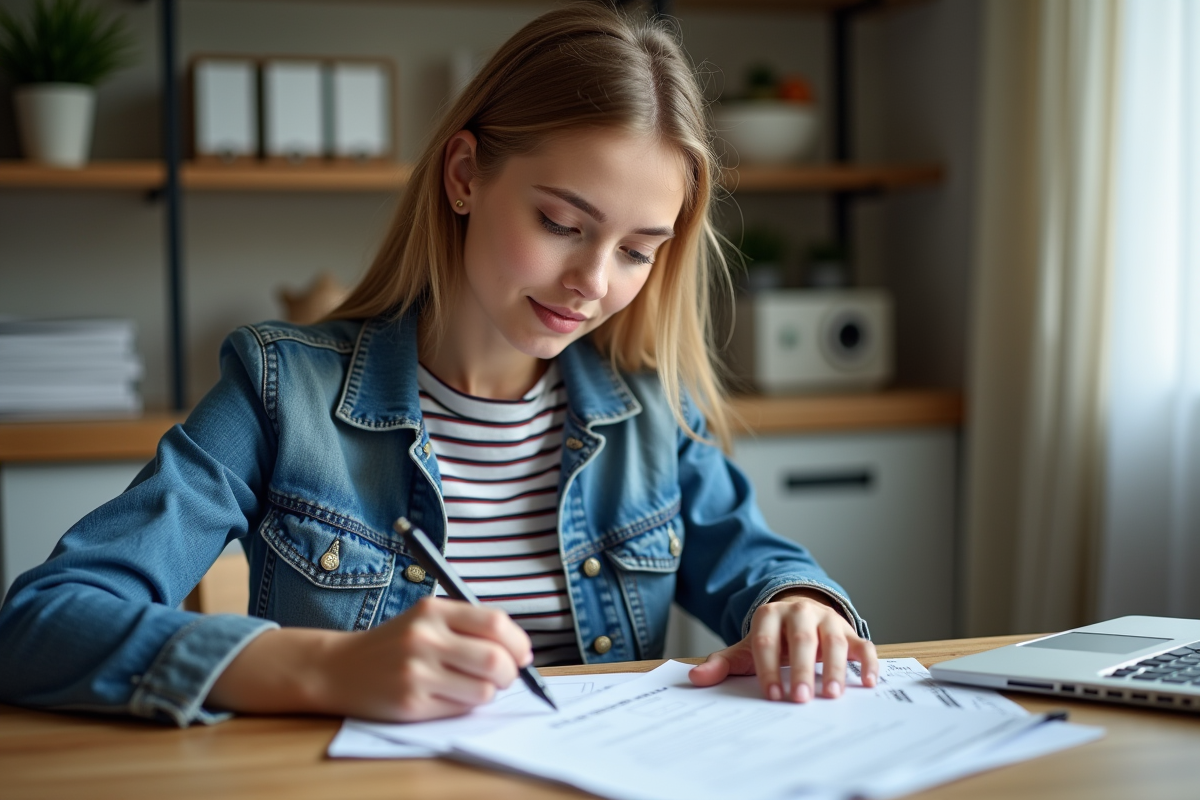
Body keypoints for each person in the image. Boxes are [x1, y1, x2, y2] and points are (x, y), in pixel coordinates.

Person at [0, 1, 877, 727]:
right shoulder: (279, 392)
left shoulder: (651, 415)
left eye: (639, 250)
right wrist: (322, 669)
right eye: (562, 225)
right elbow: (40, 624)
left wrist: (799, 608)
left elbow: (764, 565)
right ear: (465, 174)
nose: (593, 282)